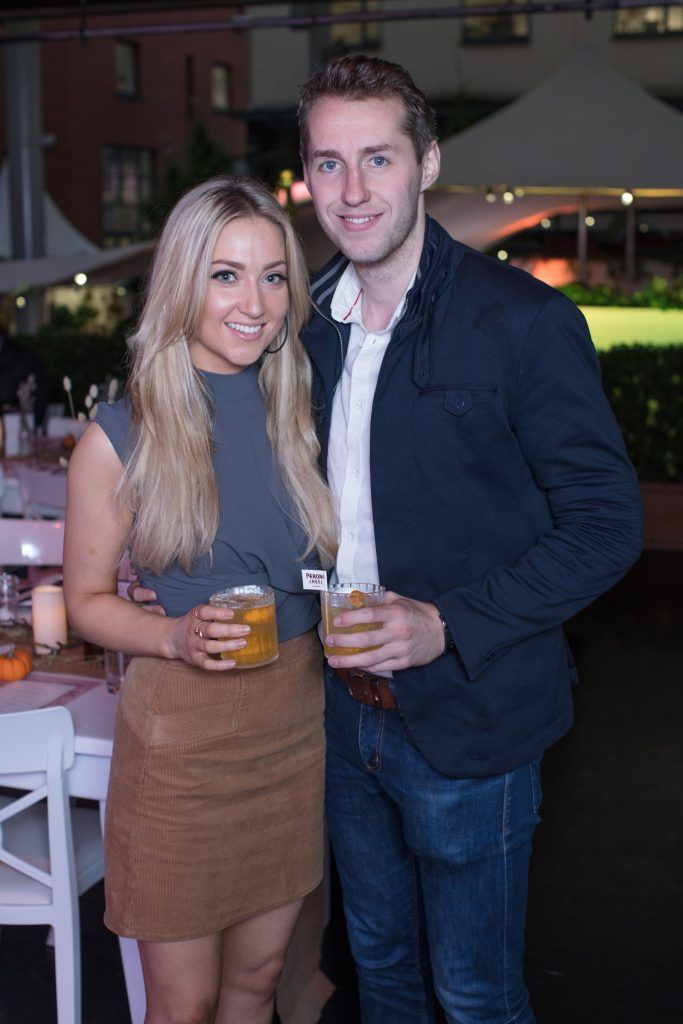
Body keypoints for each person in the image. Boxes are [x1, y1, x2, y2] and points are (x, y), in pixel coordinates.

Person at [291, 55, 642, 1024]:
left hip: (471, 715)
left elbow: (607, 524)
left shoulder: (521, 322)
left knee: (475, 993)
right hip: (336, 710)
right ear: (305, 177)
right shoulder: (301, 327)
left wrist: (450, 623)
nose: (352, 191)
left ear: (426, 161)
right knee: (379, 971)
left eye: (377, 158)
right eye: (328, 163)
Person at [63, 176, 337, 1024]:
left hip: (294, 731)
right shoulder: (120, 435)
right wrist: (172, 636)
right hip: (181, 744)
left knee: (257, 989)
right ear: (183, 283)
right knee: (182, 1005)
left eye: (272, 275)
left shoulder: (304, 412)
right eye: (225, 275)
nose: (253, 303)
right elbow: (84, 604)